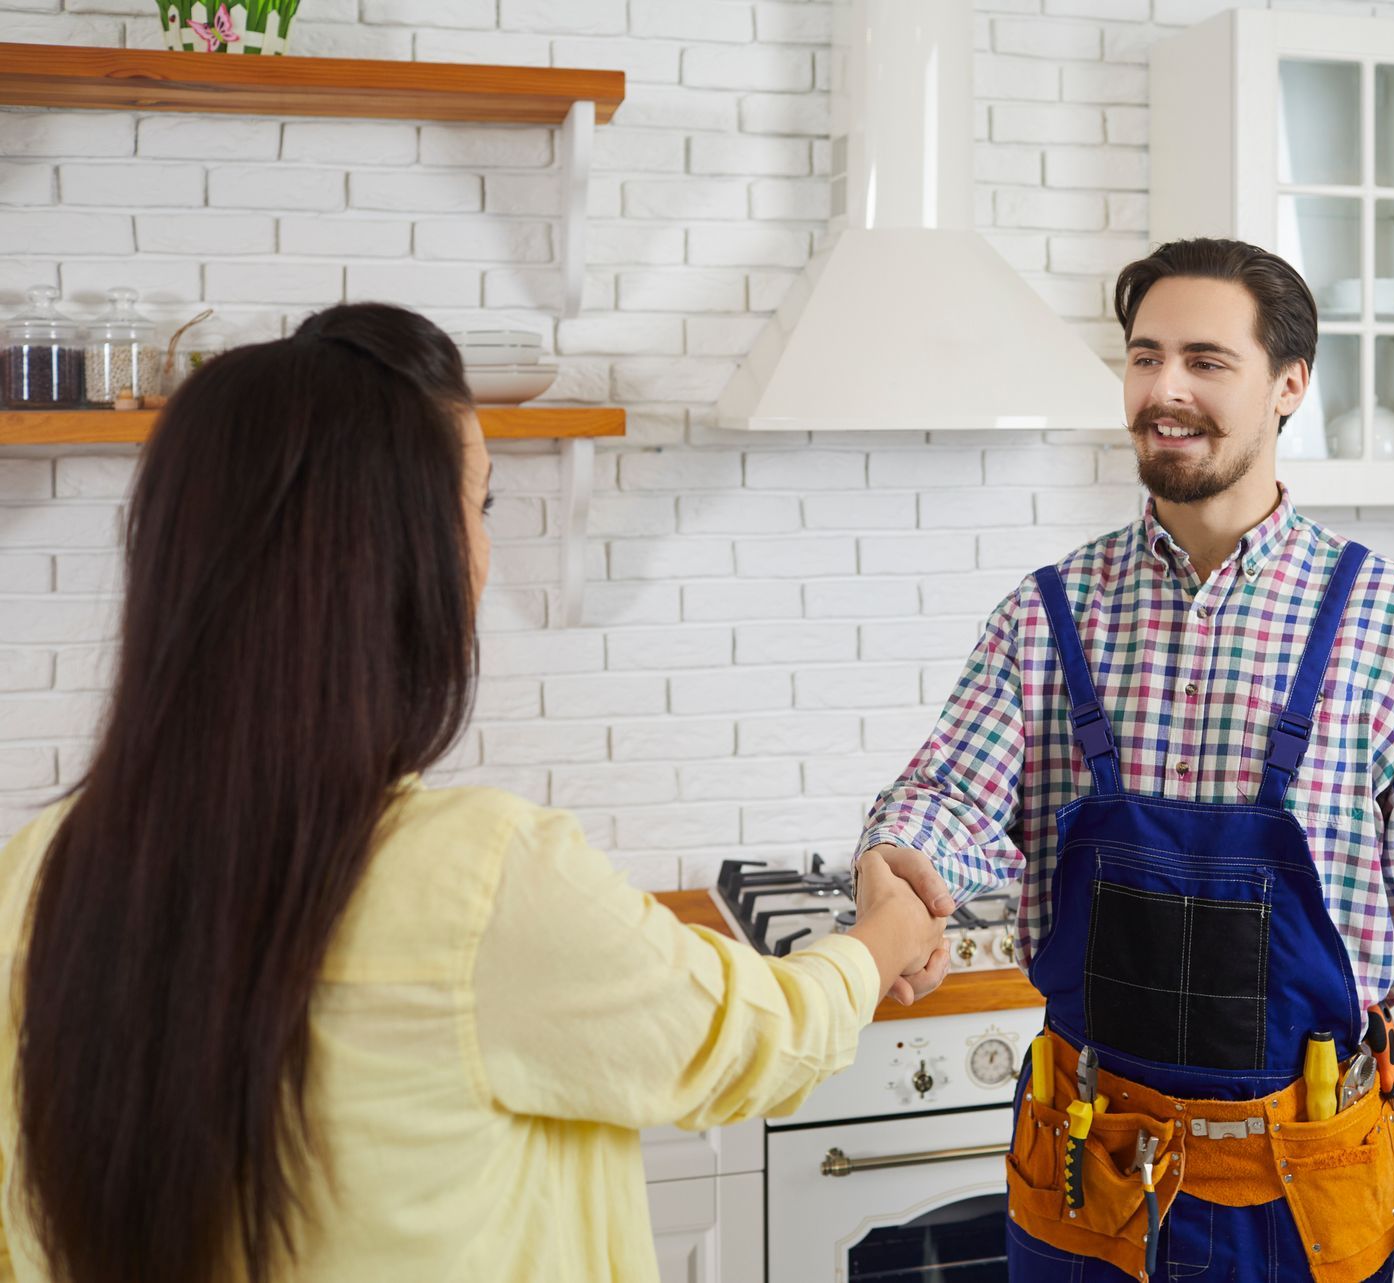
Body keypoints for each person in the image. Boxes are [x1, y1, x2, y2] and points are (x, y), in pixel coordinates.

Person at [0, 303, 949, 1283]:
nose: (484, 555)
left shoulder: (28, 880)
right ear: (399, 559)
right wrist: (882, 933)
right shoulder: (478, 878)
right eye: (481, 504)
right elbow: (747, 1032)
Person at [860, 239, 1394, 1283]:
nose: (1164, 390)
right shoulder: (1052, 614)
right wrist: (897, 858)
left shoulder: (1390, 623)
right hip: (1087, 1173)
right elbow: (947, 797)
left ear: (1289, 386)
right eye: (1145, 357)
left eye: (1207, 361)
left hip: (1303, 1187)